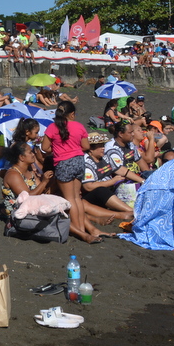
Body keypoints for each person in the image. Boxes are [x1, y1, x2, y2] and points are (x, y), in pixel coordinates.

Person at [41, 101, 111, 243]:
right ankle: (82, 228)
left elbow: (44, 148)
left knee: (69, 199)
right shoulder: (79, 126)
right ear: (72, 114)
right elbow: (85, 146)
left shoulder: (52, 127)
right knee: (77, 197)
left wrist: (58, 149)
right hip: (78, 162)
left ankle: (79, 229)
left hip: (63, 163)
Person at [0, 141, 63, 226]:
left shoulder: (29, 171)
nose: (33, 154)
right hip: (20, 214)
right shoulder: (13, 175)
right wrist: (44, 182)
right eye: (30, 152)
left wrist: (51, 181)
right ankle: (83, 235)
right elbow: (28, 197)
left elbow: (41, 191)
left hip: (33, 207)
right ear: (22, 157)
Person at [81, 132, 134, 221]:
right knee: (101, 190)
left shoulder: (104, 157)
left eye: (103, 145)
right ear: (91, 149)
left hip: (109, 189)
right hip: (93, 195)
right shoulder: (86, 162)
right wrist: (112, 181)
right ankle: (131, 211)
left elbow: (119, 169)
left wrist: (141, 180)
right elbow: (88, 187)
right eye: (100, 146)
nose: (103, 148)